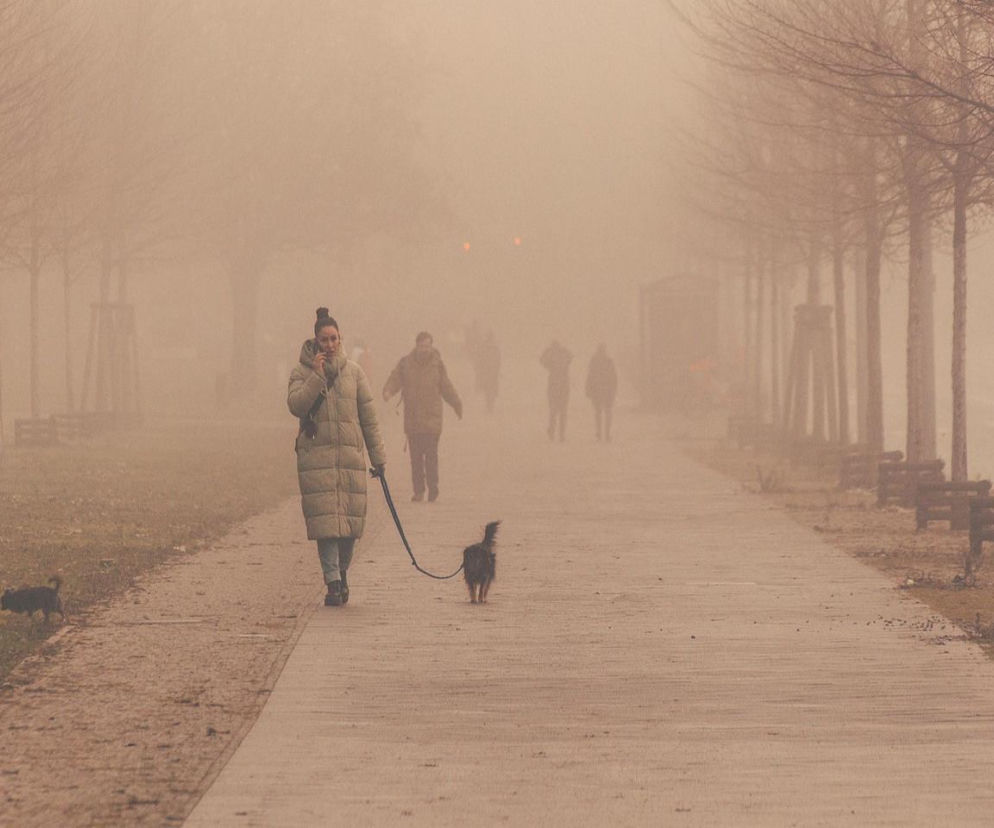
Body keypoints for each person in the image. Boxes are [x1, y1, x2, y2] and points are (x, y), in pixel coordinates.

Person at [287, 307, 386, 607]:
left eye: (334, 339)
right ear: (315, 343)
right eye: (323, 340)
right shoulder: (301, 373)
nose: (329, 345)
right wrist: (316, 377)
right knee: (327, 527)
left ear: (340, 339)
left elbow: (369, 418)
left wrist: (377, 457)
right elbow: (296, 406)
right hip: (317, 459)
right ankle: (332, 582)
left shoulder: (354, 373)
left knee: (350, 528)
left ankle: (342, 572)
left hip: (349, 459)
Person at [382, 330, 463, 502]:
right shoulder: (405, 364)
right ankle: (418, 490)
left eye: (427, 346)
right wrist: (388, 390)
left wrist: (456, 404)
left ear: (431, 346)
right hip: (412, 420)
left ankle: (433, 488)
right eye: (421, 346)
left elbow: (446, 387)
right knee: (416, 459)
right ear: (416, 346)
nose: (424, 349)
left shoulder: (437, 365)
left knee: (431, 457)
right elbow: (395, 378)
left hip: (432, 419)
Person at [540, 339, 572, 441]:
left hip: (553, 386)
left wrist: (549, 351)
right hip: (564, 386)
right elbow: (571, 357)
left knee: (553, 410)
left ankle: (552, 432)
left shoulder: (551, 361)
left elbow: (542, 360)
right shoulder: (565, 354)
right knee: (563, 411)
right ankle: (561, 434)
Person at [585, 342, 618, 442]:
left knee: (598, 412)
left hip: (596, 390)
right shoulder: (609, 361)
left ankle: (599, 432)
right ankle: (607, 434)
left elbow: (589, 376)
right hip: (608, 391)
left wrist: (588, 389)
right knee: (607, 412)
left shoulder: (594, 361)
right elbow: (614, 377)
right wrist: (614, 390)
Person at [476, 329, 501, 413]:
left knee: (488, 389)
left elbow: (480, 360)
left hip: (487, 372)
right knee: (491, 389)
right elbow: (498, 360)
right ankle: (490, 405)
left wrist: (480, 370)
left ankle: (489, 405)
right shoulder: (495, 348)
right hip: (492, 372)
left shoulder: (484, 347)